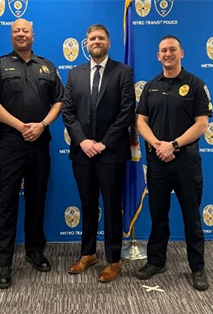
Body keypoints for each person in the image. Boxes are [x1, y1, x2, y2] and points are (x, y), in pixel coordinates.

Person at [0, 18, 64, 289]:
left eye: (25, 30)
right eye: (16, 31)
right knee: (7, 203)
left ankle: (35, 251)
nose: (21, 34)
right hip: (11, 144)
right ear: (11, 36)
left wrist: (42, 125)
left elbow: (59, 101)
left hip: (40, 142)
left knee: (37, 199)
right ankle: (3, 263)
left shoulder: (48, 67)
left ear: (33, 35)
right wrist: (22, 126)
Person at [136, 35, 213, 290]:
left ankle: (198, 268)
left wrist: (174, 145)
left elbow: (202, 124)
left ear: (182, 53)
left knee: (191, 217)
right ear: (158, 56)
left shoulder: (195, 84)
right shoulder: (150, 86)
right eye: (163, 51)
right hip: (157, 160)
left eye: (172, 50)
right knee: (158, 215)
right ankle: (157, 261)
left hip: (185, 161)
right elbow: (140, 122)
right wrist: (159, 145)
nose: (167, 54)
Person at [62, 24, 135, 282]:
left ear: (109, 42)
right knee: (88, 205)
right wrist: (83, 141)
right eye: (92, 38)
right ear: (86, 43)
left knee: (112, 207)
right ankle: (88, 253)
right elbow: (68, 112)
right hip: (82, 153)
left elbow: (126, 112)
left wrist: (103, 143)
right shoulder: (74, 73)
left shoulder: (123, 72)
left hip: (111, 152)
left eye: (101, 38)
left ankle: (114, 261)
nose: (96, 41)